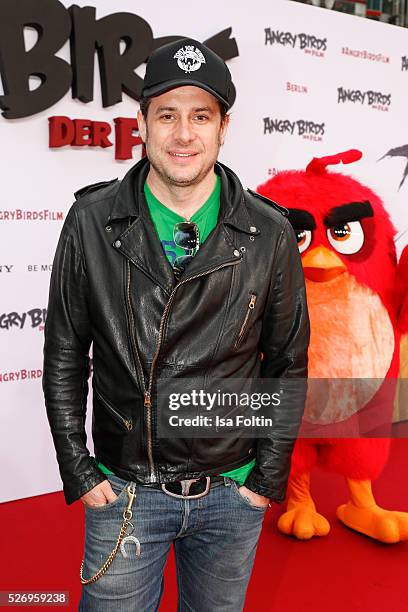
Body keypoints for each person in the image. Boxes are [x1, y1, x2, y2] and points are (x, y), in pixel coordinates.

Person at [43, 38, 310, 612]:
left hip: (231, 491)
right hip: (126, 488)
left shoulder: (270, 232)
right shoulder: (92, 220)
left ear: (223, 127)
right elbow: (65, 352)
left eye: (200, 116)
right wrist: (78, 469)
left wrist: (264, 479)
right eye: (167, 115)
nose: (183, 134)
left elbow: (288, 362)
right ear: (141, 123)